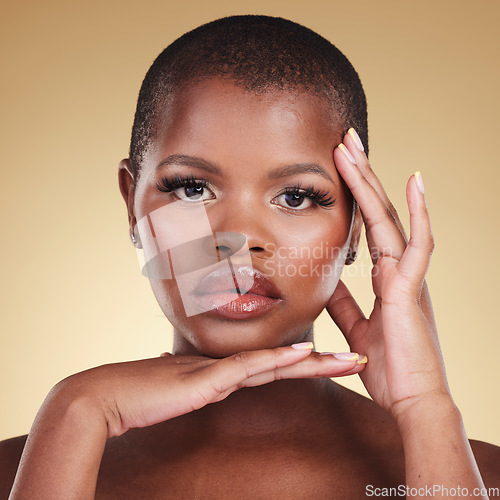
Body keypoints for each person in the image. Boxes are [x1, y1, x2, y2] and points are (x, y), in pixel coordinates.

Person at [2, 14, 499, 498]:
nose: (237, 238)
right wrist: (72, 411)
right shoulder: (18, 471)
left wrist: (426, 409)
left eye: (296, 197)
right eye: (193, 189)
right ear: (133, 207)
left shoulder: (478, 476)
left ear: (354, 229)